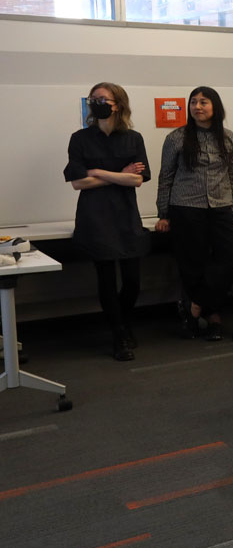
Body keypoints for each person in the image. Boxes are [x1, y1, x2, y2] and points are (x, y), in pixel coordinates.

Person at [63, 82, 150, 361]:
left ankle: (122, 324)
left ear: (118, 104)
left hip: (126, 216)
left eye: (104, 98)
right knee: (106, 280)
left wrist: (98, 171)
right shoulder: (80, 138)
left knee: (133, 281)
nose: (97, 102)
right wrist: (118, 173)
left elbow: (137, 179)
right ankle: (119, 335)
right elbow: (78, 183)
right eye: (94, 98)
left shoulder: (133, 138)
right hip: (95, 218)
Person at [155, 86, 233, 342]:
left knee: (232, 257)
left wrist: (232, 207)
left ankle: (195, 306)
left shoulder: (229, 138)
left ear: (215, 106)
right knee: (193, 264)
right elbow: (165, 177)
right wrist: (163, 213)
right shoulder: (176, 138)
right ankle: (212, 318)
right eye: (193, 102)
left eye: (203, 102)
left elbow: (232, 176)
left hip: (220, 207)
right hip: (185, 208)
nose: (197, 107)